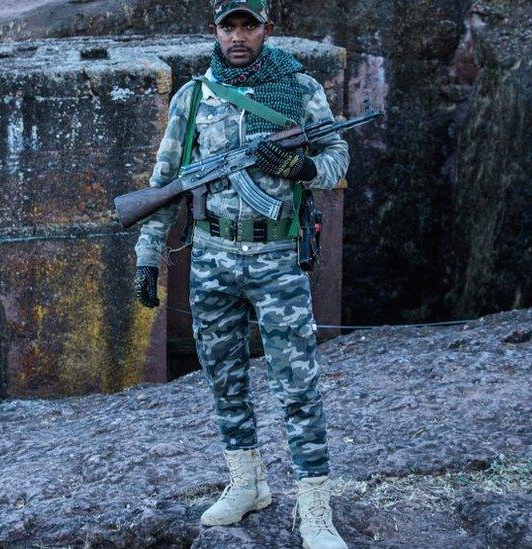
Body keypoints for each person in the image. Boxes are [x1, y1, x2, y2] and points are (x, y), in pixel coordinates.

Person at [131, 1, 350, 548]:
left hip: (277, 259)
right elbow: (165, 183)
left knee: (297, 385)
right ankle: (247, 483)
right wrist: (147, 253)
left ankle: (315, 510)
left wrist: (305, 169)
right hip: (210, 260)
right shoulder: (192, 96)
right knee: (225, 379)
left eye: (248, 25)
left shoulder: (299, 89)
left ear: (266, 30)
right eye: (228, 26)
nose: (238, 36)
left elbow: (337, 155)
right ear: (215, 31)